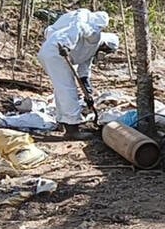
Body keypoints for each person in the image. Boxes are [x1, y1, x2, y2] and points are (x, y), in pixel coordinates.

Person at [37, 9, 119, 140]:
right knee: (68, 90)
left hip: (52, 53)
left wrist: (87, 91)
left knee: (61, 89)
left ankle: (62, 121)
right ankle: (72, 130)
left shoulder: (91, 49)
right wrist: (67, 44)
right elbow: (78, 26)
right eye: (106, 50)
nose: (105, 52)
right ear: (105, 44)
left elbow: (84, 70)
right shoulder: (94, 36)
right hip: (57, 52)